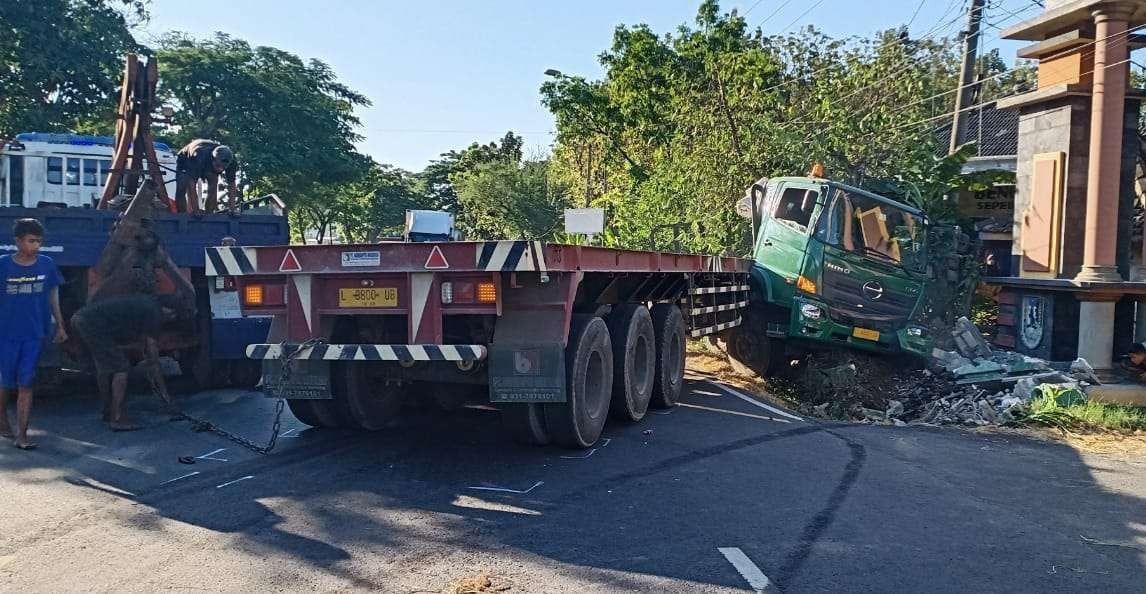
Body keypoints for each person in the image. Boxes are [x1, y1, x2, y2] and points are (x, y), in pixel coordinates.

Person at [71, 294, 185, 431]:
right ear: (168, 310)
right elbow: (153, 360)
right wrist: (167, 398)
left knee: (104, 367)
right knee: (121, 368)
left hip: (79, 319)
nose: (170, 320)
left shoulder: (146, 303)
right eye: (173, 316)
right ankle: (117, 419)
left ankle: (107, 410)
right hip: (92, 324)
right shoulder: (155, 312)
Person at [0, 219, 67, 449]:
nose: (36, 246)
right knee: (5, 382)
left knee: (26, 384)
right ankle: (2, 421)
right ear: (18, 241)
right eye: (31, 241)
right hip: (6, 334)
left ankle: (23, 436)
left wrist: (60, 324)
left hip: (35, 334)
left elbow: (53, 296)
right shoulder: (3, 266)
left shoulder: (47, 265)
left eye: (39, 241)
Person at [173, 139, 239, 215]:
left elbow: (232, 185)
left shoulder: (232, 162)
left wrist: (232, 209)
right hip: (186, 159)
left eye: (223, 168)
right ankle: (182, 216)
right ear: (212, 159)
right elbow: (191, 184)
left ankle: (209, 214)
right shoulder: (199, 156)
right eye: (218, 165)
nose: (220, 169)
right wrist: (196, 209)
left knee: (213, 183)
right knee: (182, 185)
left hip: (207, 164)